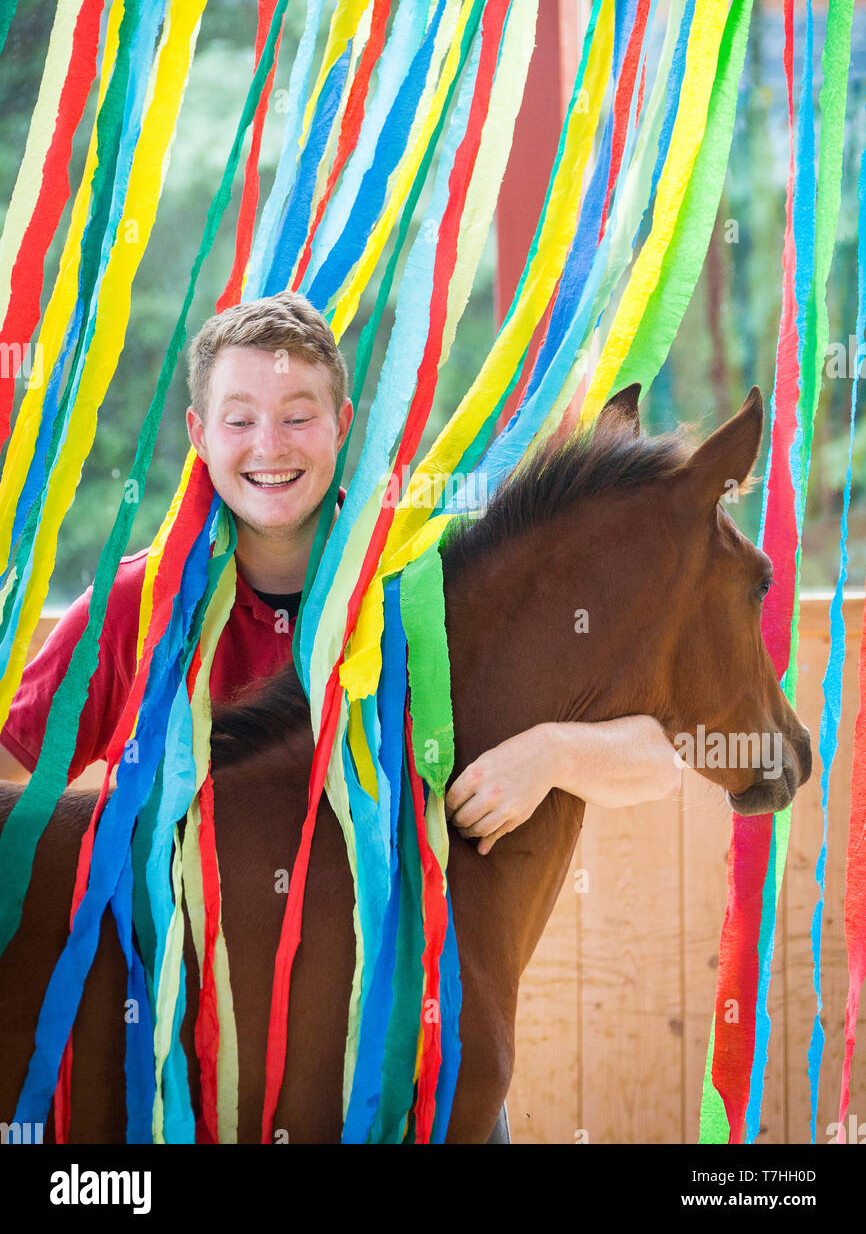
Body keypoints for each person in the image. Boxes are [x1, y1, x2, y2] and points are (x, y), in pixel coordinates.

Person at [0, 290, 681, 1141]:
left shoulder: (423, 594)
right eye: (239, 419)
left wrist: (547, 753)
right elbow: (13, 800)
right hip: (180, 1086)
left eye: (298, 416)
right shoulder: (132, 607)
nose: (269, 446)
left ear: (343, 423)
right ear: (197, 434)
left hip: (408, 1082)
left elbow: (666, 754)